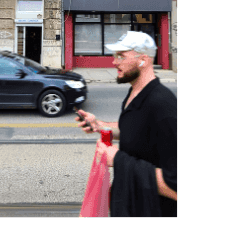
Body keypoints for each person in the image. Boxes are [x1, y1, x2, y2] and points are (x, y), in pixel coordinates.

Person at [75, 31, 177, 217]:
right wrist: (98, 125)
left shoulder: (163, 105)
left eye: (121, 56)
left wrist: (118, 159)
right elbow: (134, 128)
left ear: (143, 60)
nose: (114, 62)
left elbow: (174, 186)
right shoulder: (134, 94)